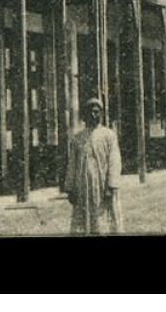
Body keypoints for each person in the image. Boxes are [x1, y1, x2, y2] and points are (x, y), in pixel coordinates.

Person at [65, 98, 123, 235]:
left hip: (103, 187)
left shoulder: (109, 135)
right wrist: (70, 188)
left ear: (101, 114)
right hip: (83, 187)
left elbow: (114, 161)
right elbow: (72, 163)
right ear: (84, 115)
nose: (93, 115)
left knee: (104, 222)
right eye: (89, 112)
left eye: (96, 112)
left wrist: (111, 185)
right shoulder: (77, 138)